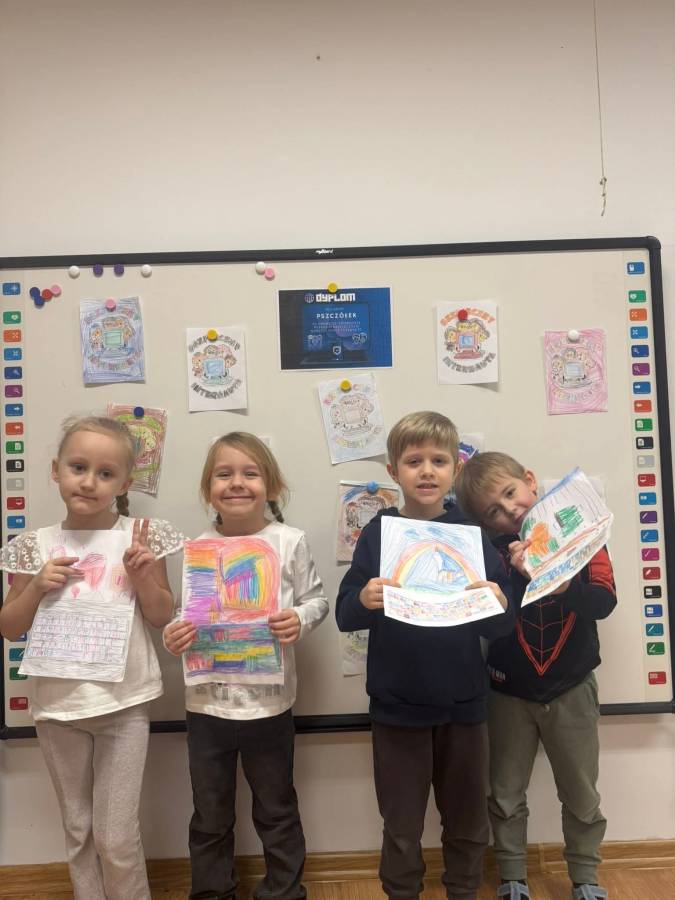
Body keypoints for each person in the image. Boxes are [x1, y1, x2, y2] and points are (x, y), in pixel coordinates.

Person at [0, 415, 183, 900]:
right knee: (78, 828)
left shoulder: (141, 536)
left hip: (124, 703)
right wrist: (36, 586)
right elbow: (9, 626)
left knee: (115, 836)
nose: (88, 482)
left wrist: (143, 576)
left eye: (105, 473)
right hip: (57, 709)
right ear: (56, 470)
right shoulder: (34, 545)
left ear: (124, 483)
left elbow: (161, 615)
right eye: (78, 467)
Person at [335, 411, 514, 900]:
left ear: (456, 468)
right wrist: (364, 598)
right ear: (393, 471)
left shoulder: (472, 535)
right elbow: (345, 614)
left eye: (438, 460)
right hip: (397, 709)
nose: (427, 471)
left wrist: (498, 601)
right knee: (401, 824)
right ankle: (401, 892)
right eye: (414, 461)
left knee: (468, 821)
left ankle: (463, 890)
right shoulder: (378, 533)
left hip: (464, 708)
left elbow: (500, 627)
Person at [164, 431, 328, 900]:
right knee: (209, 814)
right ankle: (213, 892)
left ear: (271, 487)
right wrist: (173, 633)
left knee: (276, 808)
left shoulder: (288, 541)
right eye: (224, 474)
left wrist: (299, 618)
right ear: (208, 489)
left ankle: (284, 892)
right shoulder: (196, 548)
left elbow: (317, 601)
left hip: (270, 706)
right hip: (206, 707)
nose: (237, 483)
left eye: (250, 473)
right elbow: (185, 614)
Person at [454, 451, 616, 900]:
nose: (510, 511)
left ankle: (586, 877)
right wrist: (513, 574)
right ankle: (512, 876)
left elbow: (603, 601)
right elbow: (487, 620)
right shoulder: (488, 554)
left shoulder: (584, 533)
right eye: (494, 511)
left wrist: (560, 581)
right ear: (484, 523)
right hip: (507, 690)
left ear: (529, 480)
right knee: (505, 792)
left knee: (581, 792)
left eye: (512, 493)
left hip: (573, 687)